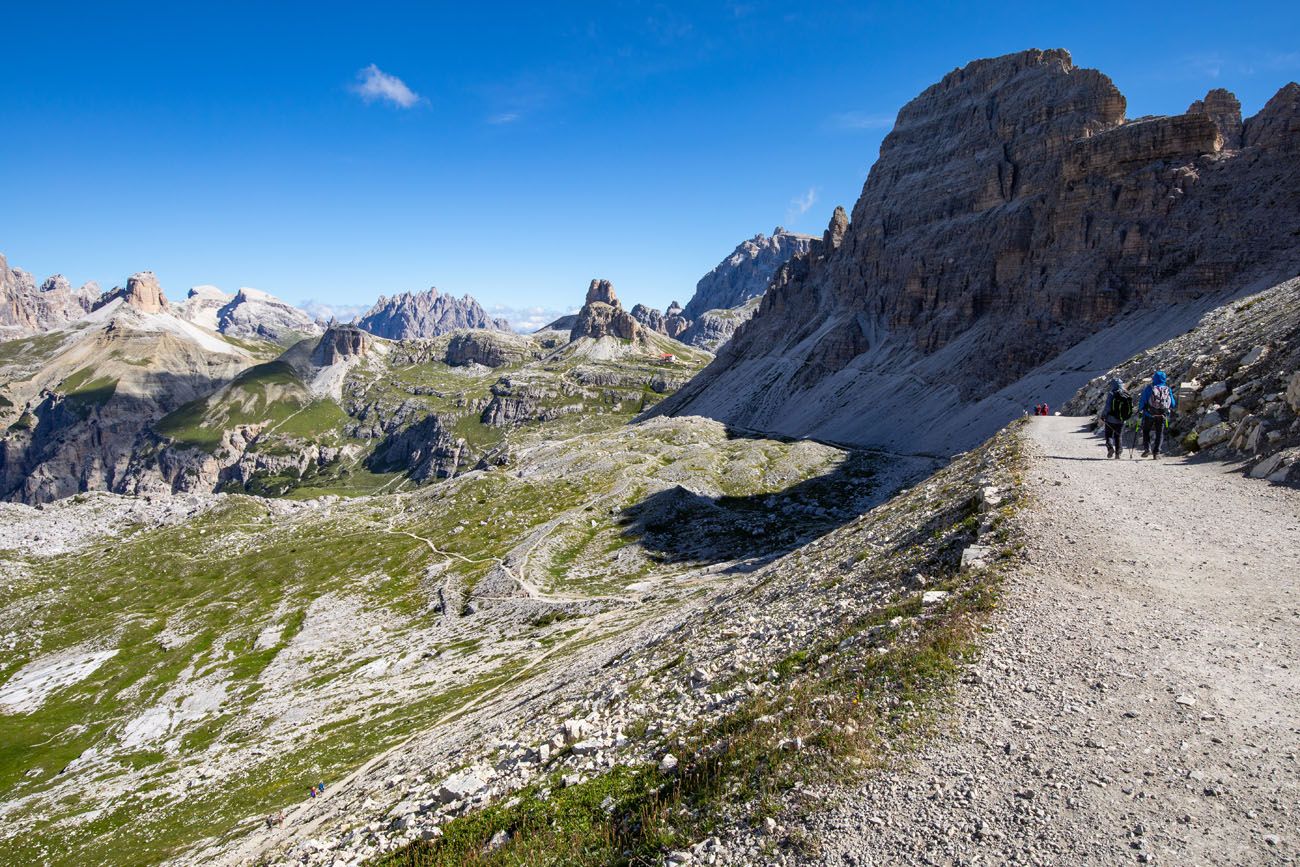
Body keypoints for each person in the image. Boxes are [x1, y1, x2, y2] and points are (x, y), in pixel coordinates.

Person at [1138, 370, 1176, 459]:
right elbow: (1173, 404)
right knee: (1159, 433)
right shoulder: (1167, 389)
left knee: (1146, 431)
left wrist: (1141, 409)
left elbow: (1142, 401)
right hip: (1162, 415)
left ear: (1154, 378)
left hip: (1149, 414)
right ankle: (1157, 453)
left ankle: (1147, 449)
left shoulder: (1149, 388)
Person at [1102, 378, 1132, 458]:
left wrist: (1103, 415)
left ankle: (1110, 448)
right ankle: (1118, 453)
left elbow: (1107, 407)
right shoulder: (1125, 393)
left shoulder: (1112, 393)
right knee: (1118, 436)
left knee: (1109, 435)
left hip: (1110, 419)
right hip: (1122, 420)